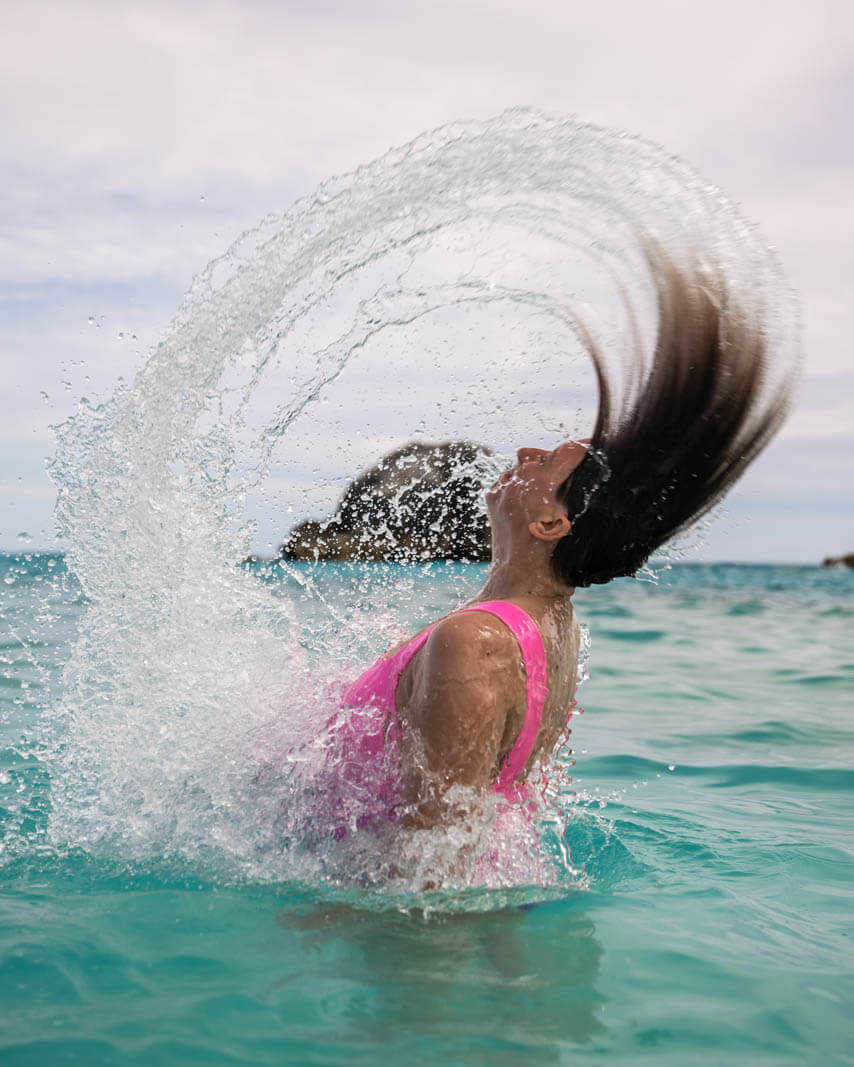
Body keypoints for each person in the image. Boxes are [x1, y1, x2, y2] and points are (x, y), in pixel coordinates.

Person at [333, 242, 795, 837]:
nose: (525, 453)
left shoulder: (474, 640)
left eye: (547, 461)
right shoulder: (553, 625)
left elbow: (430, 871)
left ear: (551, 524)